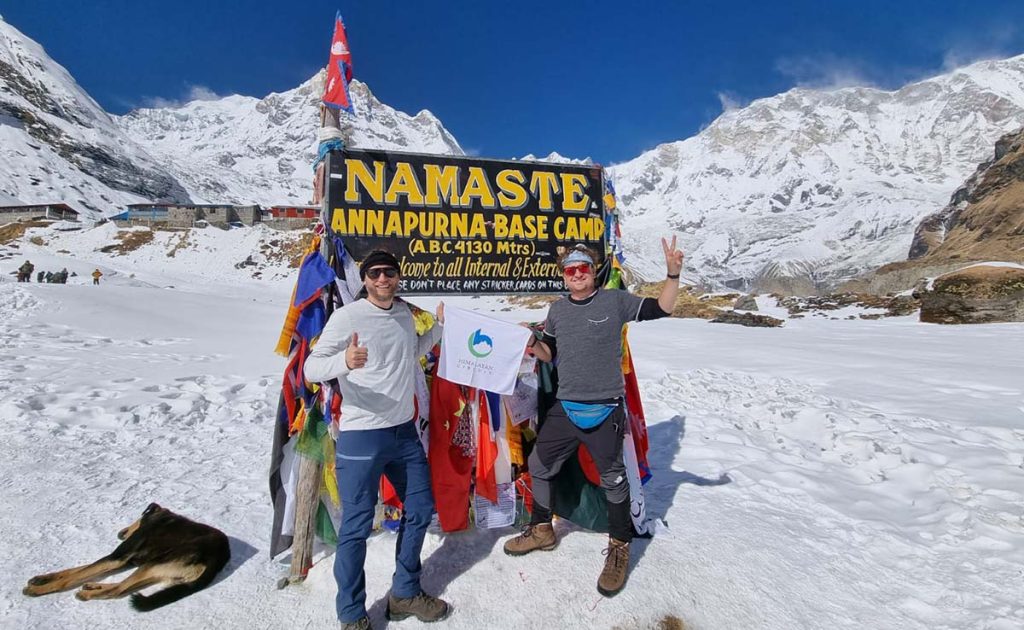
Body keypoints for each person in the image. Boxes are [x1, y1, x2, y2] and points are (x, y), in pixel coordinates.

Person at [503, 237, 683, 598]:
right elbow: (549, 353)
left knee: (614, 479)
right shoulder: (557, 310)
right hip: (566, 407)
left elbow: (661, 309)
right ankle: (542, 529)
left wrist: (673, 275)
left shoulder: (614, 301)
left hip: (604, 409)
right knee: (539, 463)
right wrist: (532, 346)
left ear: (593, 272)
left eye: (583, 267)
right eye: (570, 270)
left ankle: (619, 546)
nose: (577, 274)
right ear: (564, 277)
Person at [304, 250, 450, 630]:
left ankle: (403, 593)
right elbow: (312, 367)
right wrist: (343, 362)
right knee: (356, 526)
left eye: (389, 272)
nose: (382, 279)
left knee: (419, 509)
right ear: (365, 279)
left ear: (398, 277)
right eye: (375, 273)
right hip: (361, 436)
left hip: (403, 433)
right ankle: (351, 614)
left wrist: (437, 330)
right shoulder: (347, 317)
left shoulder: (403, 314)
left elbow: (409, 354)